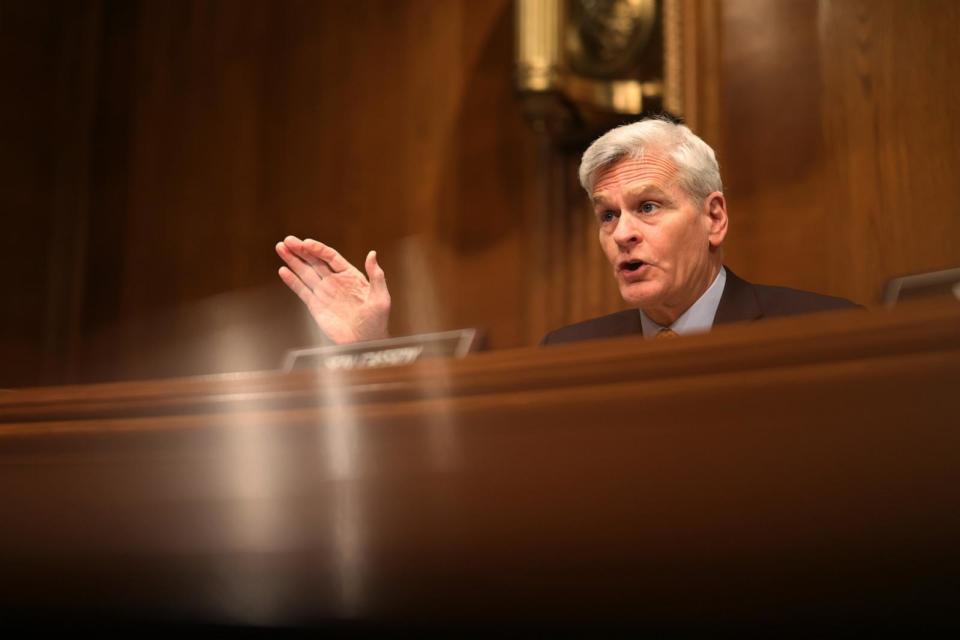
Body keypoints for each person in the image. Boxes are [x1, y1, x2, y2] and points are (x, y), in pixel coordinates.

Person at [275, 116, 856, 346]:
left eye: (648, 207)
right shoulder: (569, 351)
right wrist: (368, 350)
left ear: (714, 218)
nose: (623, 233)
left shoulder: (821, 330)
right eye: (608, 215)